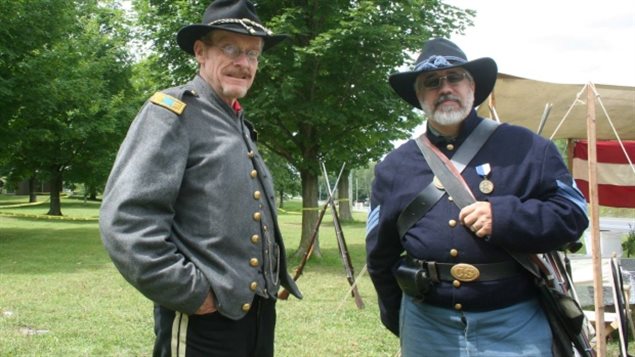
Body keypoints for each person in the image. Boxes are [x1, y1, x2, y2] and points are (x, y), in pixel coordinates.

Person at [99, 1, 301, 356]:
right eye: (230, 48)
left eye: (253, 54)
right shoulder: (172, 112)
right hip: (203, 321)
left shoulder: (237, 122)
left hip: (256, 316)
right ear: (200, 52)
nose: (244, 62)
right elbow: (128, 223)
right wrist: (194, 295)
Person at [365, 38, 589, 356]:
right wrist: (399, 319)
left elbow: (574, 214)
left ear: (472, 86)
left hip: (515, 324)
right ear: (419, 96)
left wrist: (505, 217)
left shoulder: (528, 148)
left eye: (455, 78)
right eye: (431, 82)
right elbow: (380, 256)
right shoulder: (394, 167)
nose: (445, 88)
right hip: (427, 326)